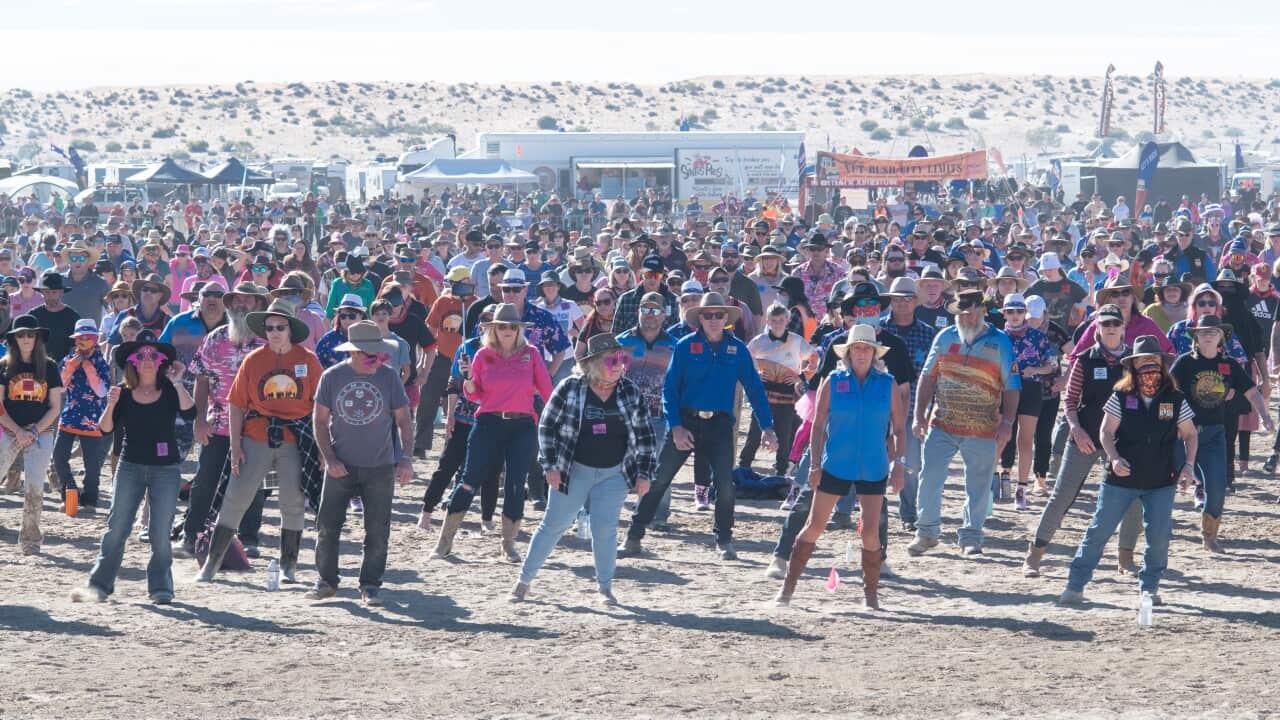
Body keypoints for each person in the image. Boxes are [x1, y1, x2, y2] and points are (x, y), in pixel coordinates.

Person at [619, 292, 776, 561]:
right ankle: (633, 536)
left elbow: (755, 388)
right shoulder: (684, 346)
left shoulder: (737, 349)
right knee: (659, 479)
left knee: (725, 485)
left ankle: (724, 540)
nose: (713, 319)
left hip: (720, 425)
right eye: (708, 315)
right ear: (700, 318)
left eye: (719, 315)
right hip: (686, 422)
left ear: (726, 319)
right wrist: (676, 426)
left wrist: (767, 427)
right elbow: (670, 389)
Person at [512, 334, 658, 606]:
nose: (619, 364)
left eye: (622, 359)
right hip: (572, 470)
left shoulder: (630, 391)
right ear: (592, 363)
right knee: (552, 526)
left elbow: (645, 435)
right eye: (612, 360)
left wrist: (645, 473)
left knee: (605, 530)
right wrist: (550, 466)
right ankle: (523, 582)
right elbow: (547, 427)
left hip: (614, 473)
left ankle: (605, 588)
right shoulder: (570, 387)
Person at [1058, 336, 1199, 606]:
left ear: (1163, 363)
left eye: (1154, 360)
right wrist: (1113, 458)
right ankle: (1075, 585)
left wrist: (1189, 465)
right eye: (1143, 361)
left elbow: (1190, 434)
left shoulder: (1175, 398)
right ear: (1133, 365)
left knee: (1158, 538)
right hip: (1121, 479)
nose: (1149, 365)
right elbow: (1105, 432)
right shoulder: (1120, 396)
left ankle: (1149, 588)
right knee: (1099, 532)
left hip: (1161, 479)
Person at [773, 324, 905, 608]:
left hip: (874, 466)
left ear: (874, 353)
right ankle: (787, 589)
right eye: (856, 348)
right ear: (848, 352)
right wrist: (814, 465)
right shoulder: (833, 381)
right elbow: (818, 424)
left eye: (867, 348)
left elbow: (899, 428)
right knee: (814, 526)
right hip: (836, 463)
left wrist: (899, 464)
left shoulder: (888, 384)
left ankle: (871, 596)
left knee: (870, 532)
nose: (862, 353)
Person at [198, 300, 323, 583]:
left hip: (295, 439)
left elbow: (321, 406)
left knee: (292, 500)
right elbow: (236, 405)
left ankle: (288, 566)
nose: (274, 332)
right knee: (236, 497)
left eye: (280, 327)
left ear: (290, 329)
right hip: (256, 436)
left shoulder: (308, 360)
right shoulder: (253, 360)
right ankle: (211, 565)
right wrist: (235, 446)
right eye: (270, 328)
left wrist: (321, 448)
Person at [69, 330, 195, 604]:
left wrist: (178, 382)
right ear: (133, 362)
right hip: (130, 466)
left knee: (160, 532)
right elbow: (105, 429)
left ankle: (161, 587)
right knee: (117, 527)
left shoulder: (170, 390)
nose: (147, 359)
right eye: (141, 355)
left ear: (161, 361)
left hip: (166, 468)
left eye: (153, 355)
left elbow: (190, 412)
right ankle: (99, 585)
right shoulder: (123, 393)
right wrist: (111, 404)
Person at [1023, 305, 1142, 577]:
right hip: (1085, 437)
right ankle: (1034, 555)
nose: (1110, 327)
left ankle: (1125, 558)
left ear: (1123, 327)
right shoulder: (1085, 360)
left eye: (1115, 323)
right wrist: (1075, 429)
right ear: (1097, 328)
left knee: (1133, 498)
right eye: (1105, 323)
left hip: (1121, 441)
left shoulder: (1133, 361)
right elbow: (1070, 401)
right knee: (1062, 496)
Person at [433, 303, 553, 562]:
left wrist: (555, 420)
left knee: (515, 483)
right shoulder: (481, 355)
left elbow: (547, 390)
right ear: (493, 329)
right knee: (469, 479)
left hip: (522, 425)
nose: (507, 330)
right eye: (502, 326)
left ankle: (508, 543)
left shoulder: (531, 354)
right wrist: (467, 379)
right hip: (488, 422)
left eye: (512, 326)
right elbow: (474, 394)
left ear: (519, 329)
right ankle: (445, 541)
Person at [307, 321, 414, 605]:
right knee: (327, 527)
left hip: (380, 466)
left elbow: (404, 421)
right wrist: (329, 458)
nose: (378, 359)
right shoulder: (331, 377)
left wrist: (406, 459)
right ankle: (327, 581)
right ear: (353, 352)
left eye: (380, 353)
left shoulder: (389, 377)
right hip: (340, 465)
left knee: (377, 531)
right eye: (371, 355)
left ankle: (370, 585)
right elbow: (319, 421)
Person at [908, 288, 1020, 556]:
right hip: (942, 423)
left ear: (983, 311)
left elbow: (1012, 385)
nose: (967, 318)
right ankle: (926, 532)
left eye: (972, 313)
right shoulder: (945, 337)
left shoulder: (1001, 342)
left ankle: (971, 536)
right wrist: (919, 415)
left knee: (978, 483)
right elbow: (928, 377)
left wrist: (1007, 422)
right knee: (930, 476)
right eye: (962, 314)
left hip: (983, 427)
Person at [179, 282, 271, 559]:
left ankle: (249, 537)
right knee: (205, 480)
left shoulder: (269, 340)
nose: (240, 305)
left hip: (256, 426)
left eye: (246, 300)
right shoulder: (215, 338)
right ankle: (191, 535)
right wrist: (199, 419)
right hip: (217, 423)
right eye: (236, 301)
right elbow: (201, 379)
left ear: (258, 304)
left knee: (252, 484)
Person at [1169, 315, 1273, 553]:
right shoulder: (1184, 363)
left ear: (1221, 337)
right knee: (1167, 482)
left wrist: (1265, 415)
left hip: (1213, 434)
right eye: (1203, 331)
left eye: (1213, 331)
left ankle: (1209, 536)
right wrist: (1166, 422)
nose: (1208, 334)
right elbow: (1167, 393)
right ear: (1196, 336)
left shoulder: (1229, 364)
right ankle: (1158, 526)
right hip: (1182, 434)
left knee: (1217, 487)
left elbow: (1251, 392)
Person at [0, 315, 65, 554]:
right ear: (14, 339)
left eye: (30, 334)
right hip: (9, 430)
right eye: (21, 335)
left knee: (35, 487)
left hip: (41, 432)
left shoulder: (49, 366)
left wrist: (34, 430)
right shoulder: (3, 366)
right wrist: (18, 431)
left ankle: (30, 539)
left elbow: (55, 406)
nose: (26, 339)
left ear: (37, 338)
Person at [615, 291, 678, 530]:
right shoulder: (621, 342)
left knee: (659, 467)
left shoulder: (674, 345)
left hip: (660, 415)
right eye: (645, 309)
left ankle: (658, 516)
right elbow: (608, 374)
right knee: (615, 464)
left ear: (663, 315)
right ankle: (606, 510)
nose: (649, 315)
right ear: (638, 311)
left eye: (655, 310)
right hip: (624, 414)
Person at [997, 293, 1058, 509]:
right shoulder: (997, 336)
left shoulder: (1038, 336)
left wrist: (1035, 369)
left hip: (1031, 388)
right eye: (1010, 311)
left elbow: (1051, 365)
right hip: (1004, 388)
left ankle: (1021, 489)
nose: (1015, 315)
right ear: (1004, 313)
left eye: (1019, 311)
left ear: (1025, 313)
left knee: (1025, 439)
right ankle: (991, 481)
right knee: (1000, 436)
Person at [740, 303, 814, 476]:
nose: (778, 324)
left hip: (787, 394)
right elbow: (744, 359)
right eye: (774, 320)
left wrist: (801, 377)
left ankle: (781, 472)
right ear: (767, 321)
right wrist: (756, 374)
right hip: (763, 394)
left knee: (784, 433)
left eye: (781, 320)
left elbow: (815, 357)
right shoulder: (759, 341)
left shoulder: (797, 341)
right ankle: (744, 466)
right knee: (755, 432)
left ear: (787, 320)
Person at [51, 319, 112, 512]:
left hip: (93, 420)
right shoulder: (68, 359)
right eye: (80, 338)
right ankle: (69, 493)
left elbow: (102, 392)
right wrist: (70, 367)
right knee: (58, 457)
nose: (83, 341)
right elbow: (60, 386)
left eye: (87, 338)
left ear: (95, 340)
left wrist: (87, 367)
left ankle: (90, 500)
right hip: (69, 416)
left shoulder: (102, 362)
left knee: (92, 465)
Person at [30, 270, 81, 362]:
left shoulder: (72, 317)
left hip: (65, 366)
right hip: (37, 364)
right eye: (47, 292)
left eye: (54, 292)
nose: (51, 296)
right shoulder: (33, 316)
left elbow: (77, 345)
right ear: (42, 293)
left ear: (61, 292)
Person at [315, 294, 368, 368]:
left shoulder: (370, 339)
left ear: (361, 316)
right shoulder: (327, 340)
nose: (347, 320)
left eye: (352, 316)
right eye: (343, 316)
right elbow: (316, 368)